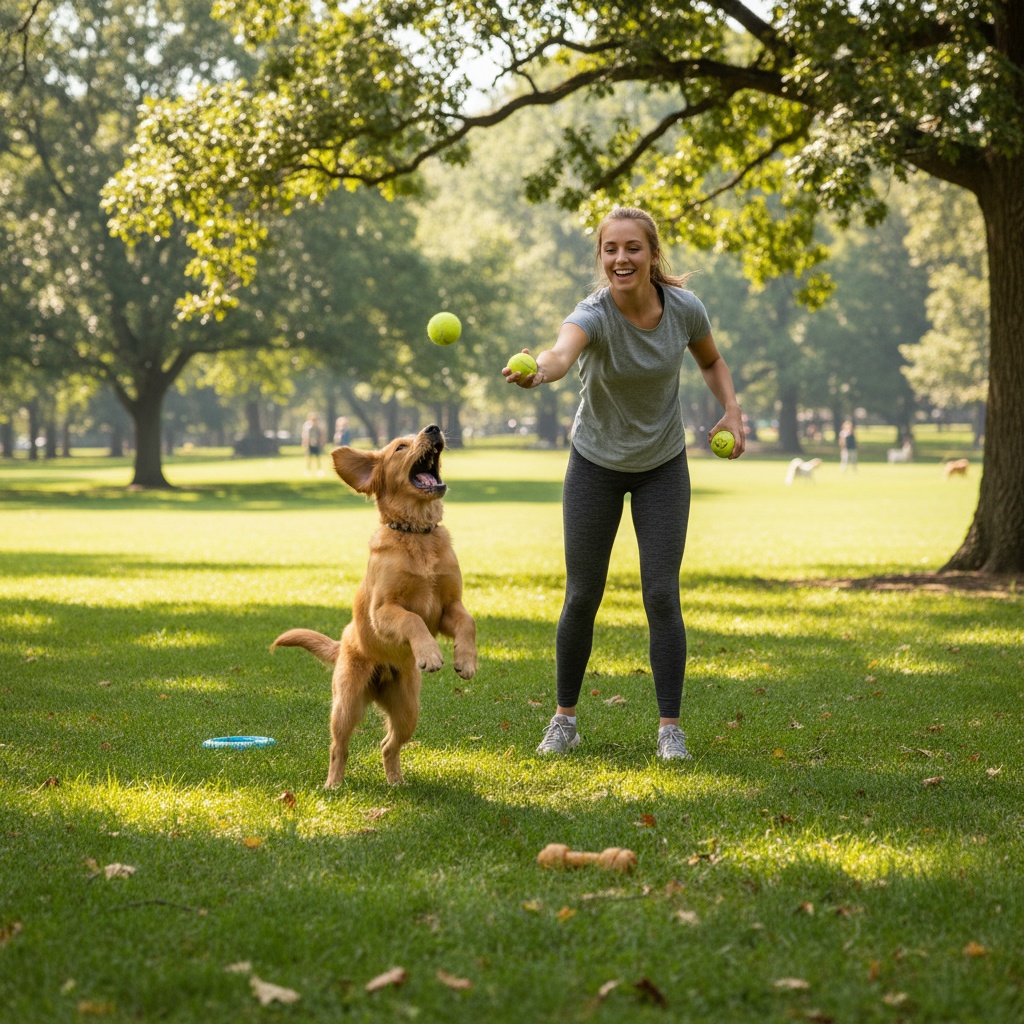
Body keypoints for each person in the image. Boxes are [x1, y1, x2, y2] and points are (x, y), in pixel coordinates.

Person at [503, 205, 745, 761]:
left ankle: (670, 730)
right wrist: (538, 371)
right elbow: (561, 353)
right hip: (595, 464)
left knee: (661, 593)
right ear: (601, 257)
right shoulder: (593, 313)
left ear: (652, 254)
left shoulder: (684, 309)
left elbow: (712, 361)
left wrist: (731, 409)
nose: (620, 258)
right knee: (582, 594)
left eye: (632, 248)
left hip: (663, 464)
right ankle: (564, 719)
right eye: (610, 249)